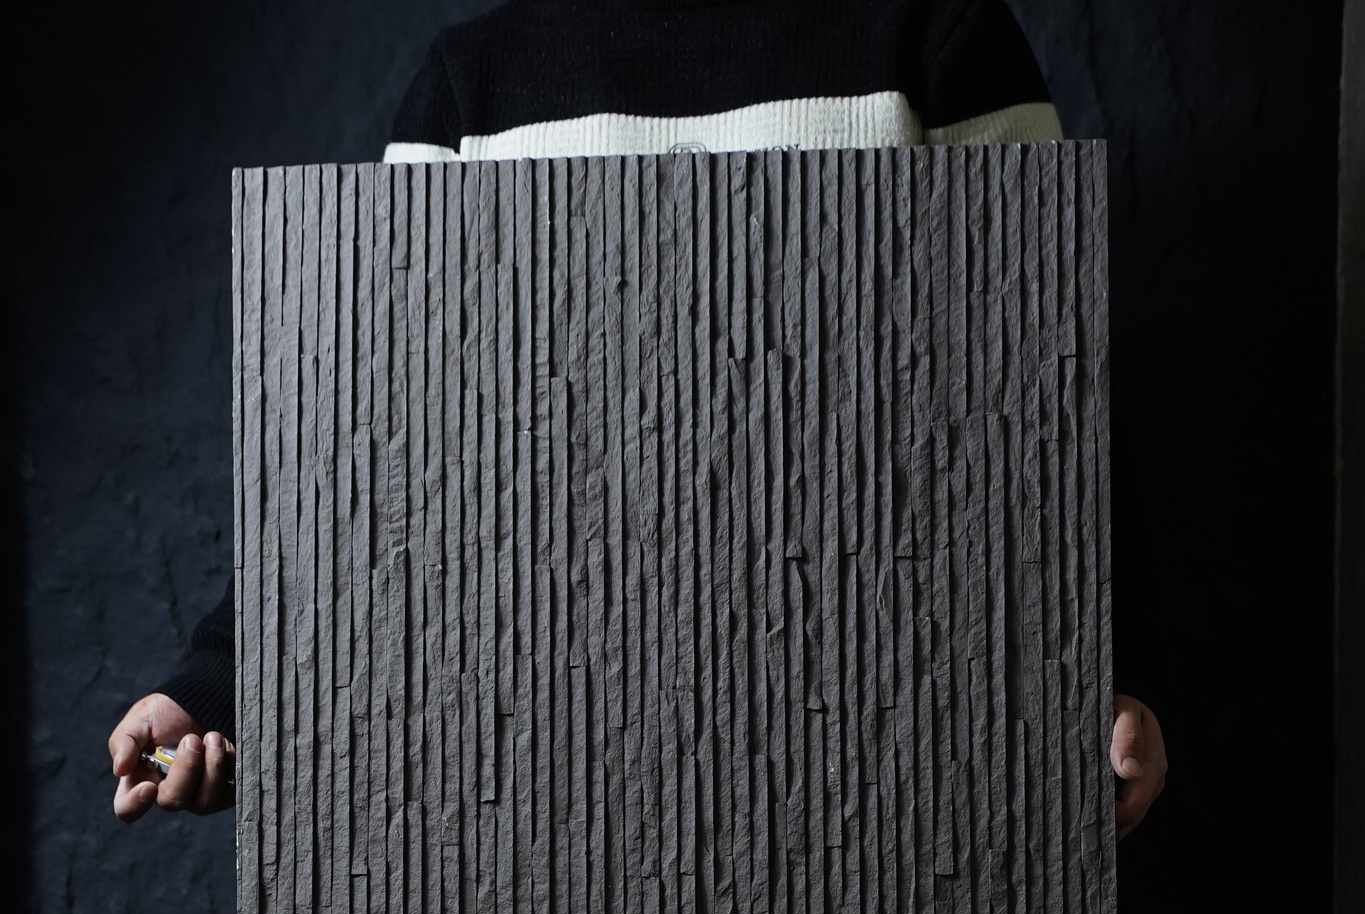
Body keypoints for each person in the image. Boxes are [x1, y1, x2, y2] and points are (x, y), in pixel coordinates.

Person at [107, 0, 1167, 839]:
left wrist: (1109, 678)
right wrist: (219, 686)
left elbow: (1048, 415)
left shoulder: (939, 37)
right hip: (548, 768)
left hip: (886, 745)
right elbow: (381, 448)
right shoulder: (470, 87)